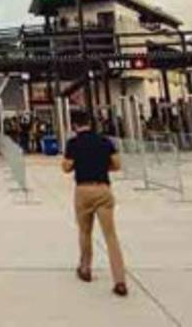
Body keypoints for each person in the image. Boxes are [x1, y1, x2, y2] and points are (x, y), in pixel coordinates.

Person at [61, 111, 128, 296]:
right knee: (111, 236)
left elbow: (66, 167)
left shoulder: (73, 143)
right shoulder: (105, 141)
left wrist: (79, 163)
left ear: (74, 126)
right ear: (90, 123)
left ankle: (85, 268)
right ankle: (120, 280)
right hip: (103, 190)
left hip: (83, 190)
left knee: (85, 232)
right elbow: (117, 164)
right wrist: (100, 165)